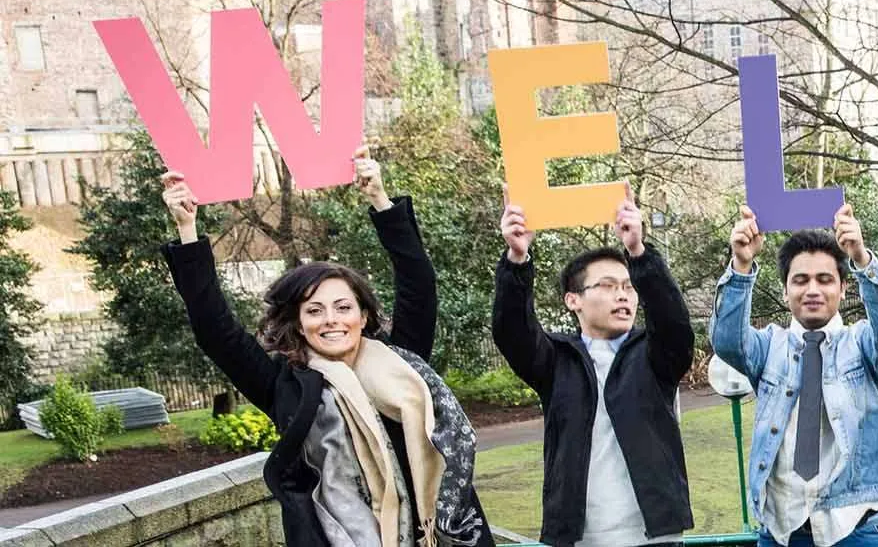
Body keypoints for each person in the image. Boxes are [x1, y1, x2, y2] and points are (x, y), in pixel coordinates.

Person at [159, 148, 491, 547]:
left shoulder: (401, 359)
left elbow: (419, 283)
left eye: (343, 307)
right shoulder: (285, 385)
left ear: (364, 316)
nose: (331, 319)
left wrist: (381, 201)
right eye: (314, 310)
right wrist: (188, 230)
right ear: (299, 324)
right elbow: (216, 332)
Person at [491, 185, 695, 547]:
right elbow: (512, 333)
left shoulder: (653, 355)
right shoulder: (556, 360)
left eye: (629, 287)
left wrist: (638, 251)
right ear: (574, 300)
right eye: (608, 285)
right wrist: (516, 260)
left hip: (655, 535)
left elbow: (676, 325)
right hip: (580, 535)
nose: (623, 295)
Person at [709, 203, 878, 547]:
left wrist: (861, 258)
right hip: (782, 529)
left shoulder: (861, 345)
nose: (813, 290)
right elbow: (727, 342)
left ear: (843, 288)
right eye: (800, 280)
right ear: (786, 291)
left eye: (825, 279)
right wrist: (741, 266)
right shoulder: (768, 347)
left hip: (855, 527)